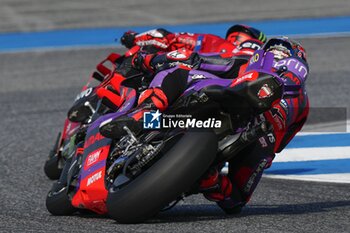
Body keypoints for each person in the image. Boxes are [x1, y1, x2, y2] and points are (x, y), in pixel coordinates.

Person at [99, 37, 309, 214]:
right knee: (235, 199)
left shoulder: (247, 60)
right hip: (247, 128)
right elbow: (280, 144)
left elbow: (194, 60)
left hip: (248, 127)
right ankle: (211, 180)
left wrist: (149, 59)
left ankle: (145, 114)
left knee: (178, 72)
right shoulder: (301, 103)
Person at [96, 25, 266, 109]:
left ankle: (115, 88)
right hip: (222, 99)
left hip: (183, 82)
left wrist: (134, 38)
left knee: (145, 52)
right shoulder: (261, 66)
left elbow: (164, 37)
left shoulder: (218, 44)